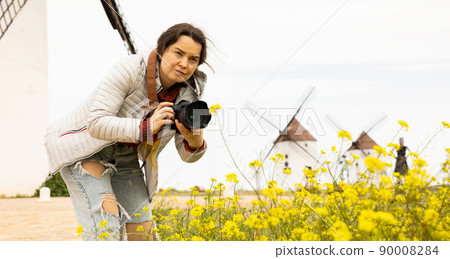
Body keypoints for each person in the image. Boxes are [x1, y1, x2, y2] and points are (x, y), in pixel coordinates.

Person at [44, 23, 210, 241]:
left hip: (125, 156)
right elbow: (96, 122)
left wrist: (195, 142)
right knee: (106, 225)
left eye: (193, 59)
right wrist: (146, 128)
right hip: (83, 149)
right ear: (162, 49)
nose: (184, 64)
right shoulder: (130, 68)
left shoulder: (190, 92)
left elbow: (186, 154)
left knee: (143, 233)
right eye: (178, 53)